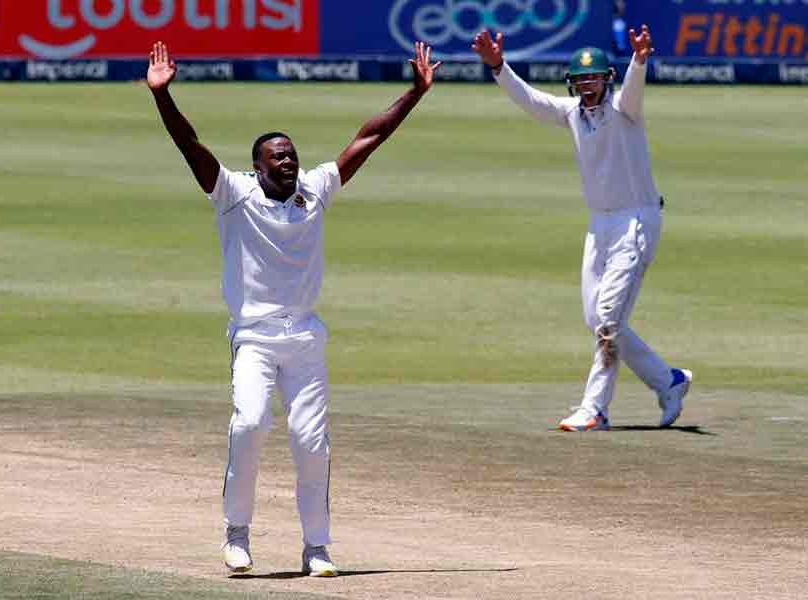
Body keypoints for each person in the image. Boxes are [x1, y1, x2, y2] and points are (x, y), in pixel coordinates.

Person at [147, 41, 440, 574]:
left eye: (292, 154)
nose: (289, 161)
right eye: (277, 156)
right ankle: (236, 533)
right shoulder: (233, 194)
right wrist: (163, 97)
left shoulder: (316, 189)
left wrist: (414, 93)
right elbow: (190, 145)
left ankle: (317, 548)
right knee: (250, 424)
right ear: (256, 166)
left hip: (305, 337)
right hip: (255, 336)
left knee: (310, 441)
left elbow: (369, 138)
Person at [471, 26, 692, 431]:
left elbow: (633, 91)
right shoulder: (573, 114)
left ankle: (596, 409)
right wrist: (499, 66)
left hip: (636, 219)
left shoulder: (625, 110)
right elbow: (533, 102)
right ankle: (668, 381)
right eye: (581, 80)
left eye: (595, 79)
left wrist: (640, 60)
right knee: (599, 320)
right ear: (573, 84)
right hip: (599, 224)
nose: (588, 86)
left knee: (608, 319)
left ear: (607, 79)